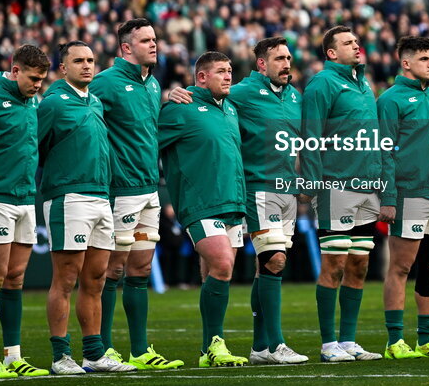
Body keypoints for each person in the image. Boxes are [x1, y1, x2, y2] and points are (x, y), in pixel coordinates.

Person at [37, 41, 133, 375]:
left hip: (100, 196)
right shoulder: (52, 102)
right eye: (79, 61)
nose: (87, 66)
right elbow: (35, 146)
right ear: (63, 68)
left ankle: (93, 354)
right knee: (65, 278)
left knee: (96, 279)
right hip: (68, 197)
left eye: (91, 60)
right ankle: (61, 356)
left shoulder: (95, 101)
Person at [92, 19, 183, 370]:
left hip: (149, 189)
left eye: (155, 39)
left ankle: (141, 350)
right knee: (111, 269)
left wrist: (168, 98)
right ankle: (103, 347)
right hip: (120, 190)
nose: (154, 44)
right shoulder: (105, 83)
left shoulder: (152, 84)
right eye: (145, 40)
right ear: (126, 47)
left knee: (140, 268)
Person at [158, 51, 248, 367]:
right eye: (221, 71)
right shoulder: (180, 108)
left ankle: (208, 350)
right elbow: (146, 139)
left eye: (230, 70)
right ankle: (215, 343)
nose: (228, 76)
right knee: (222, 264)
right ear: (201, 77)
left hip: (233, 202)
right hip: (200, 203)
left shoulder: (231, 110)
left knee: (217, 271)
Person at [301, 25, 385, 362]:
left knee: (360, 265)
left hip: (367, 186)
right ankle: (328, 344)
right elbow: (310, 135)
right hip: (335, 184)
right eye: (348, 42)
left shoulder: (363, 84)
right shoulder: (323, 83)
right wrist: (312, 182)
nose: (357, 45)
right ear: (331, 53)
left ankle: (349, 341)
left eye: (357, 41)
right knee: (334, 263)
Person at [377, 36, 429, 359]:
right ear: (406, 63)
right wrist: (387, 196)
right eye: (425, 58)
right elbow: (383, 152)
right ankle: (394, 342)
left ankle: (426, 339)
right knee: (400, 267)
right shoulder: (390, 101)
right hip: (409, 195)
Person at [0, 45, 51, 379]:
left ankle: (13, 356)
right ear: (15, 70)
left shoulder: (32, 101)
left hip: (25, 198)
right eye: (33, 78)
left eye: (42, 80)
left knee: (16, 278)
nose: (37, 86)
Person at [230, 37, 308, 364]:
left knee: (267, 268)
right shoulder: (244, 91)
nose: (286, 64)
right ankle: (276, 345)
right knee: (274, 260)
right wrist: (181, 93)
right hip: (258, 187)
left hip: (287, 188)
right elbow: (203, 97)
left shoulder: (295, 97)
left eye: (288, 58)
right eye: (279, 58)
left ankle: (259, 348)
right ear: (262, 63)